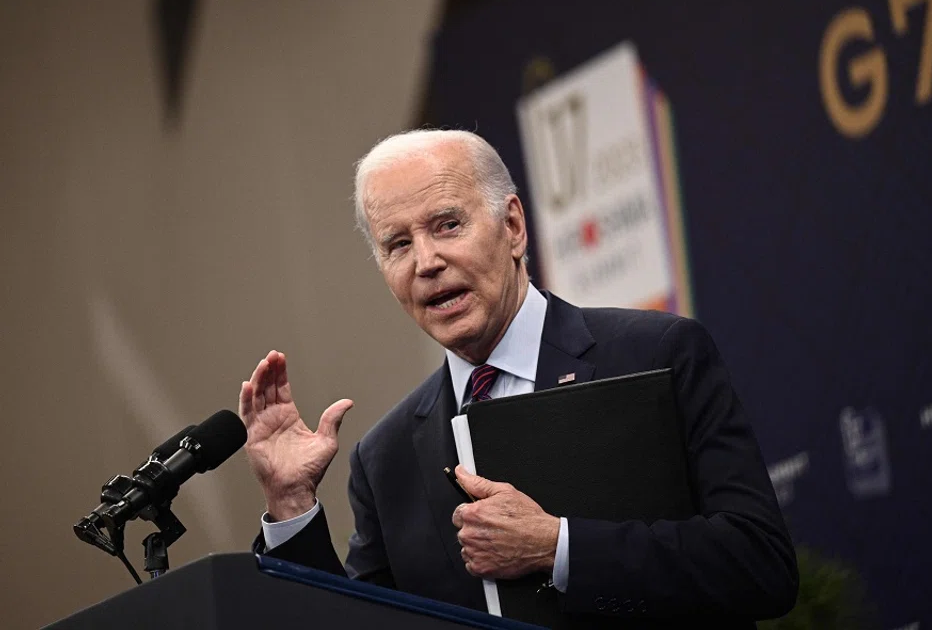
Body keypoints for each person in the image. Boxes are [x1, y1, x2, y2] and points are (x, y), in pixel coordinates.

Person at [239, 130, 798, 623]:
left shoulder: (658, 355)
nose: (426, 261)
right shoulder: (385, 459)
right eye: (399, 244)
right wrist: (291, 506)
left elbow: (760, 564)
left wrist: (558, 547)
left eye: (447, 225)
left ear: (512, 227)